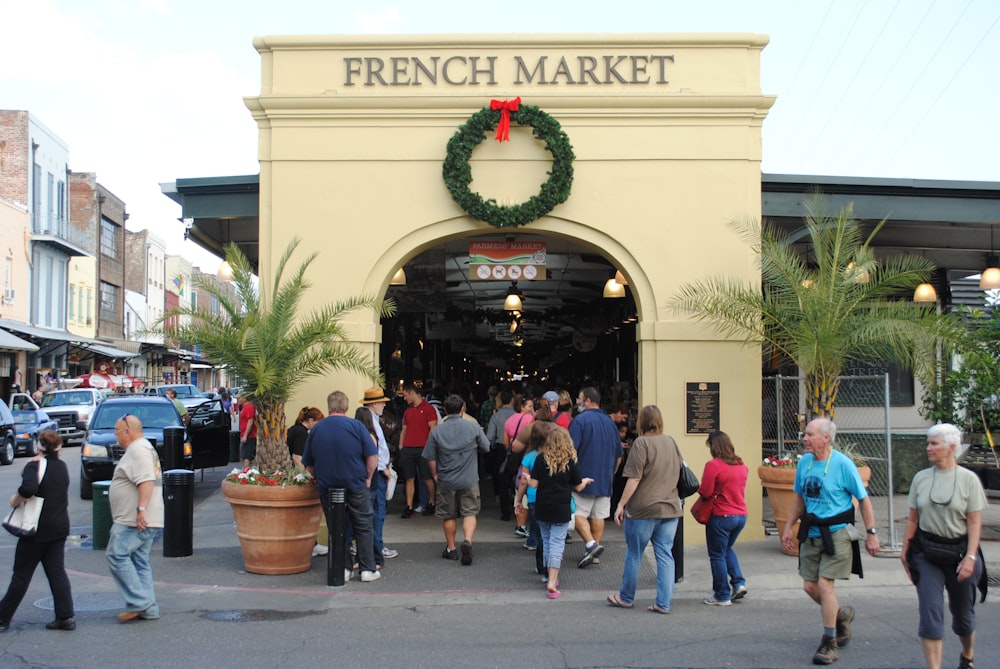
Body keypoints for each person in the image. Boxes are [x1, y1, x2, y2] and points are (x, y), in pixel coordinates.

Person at [781, 418, 880, 666]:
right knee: (810, 587)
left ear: (826, 438)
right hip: (811, 532)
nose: (805, 439)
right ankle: (841, 615)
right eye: (805, 434)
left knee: (825, 585)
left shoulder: (843, 465)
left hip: (836, 533)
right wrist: (787, 527)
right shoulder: (804, 463)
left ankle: (829, 642)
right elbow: (799, 499)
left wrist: (872, 532)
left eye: (810, 435)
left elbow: (863, 499)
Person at [902, 423, 987, 669]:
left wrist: (971, 557)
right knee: (930, 615)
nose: (928, 448)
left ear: (951, 448)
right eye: (928, 443)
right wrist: (905, 551)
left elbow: (974, 522)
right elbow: (913, 518)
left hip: (960, 553)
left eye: (934, 444)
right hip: (927, 554)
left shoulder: (968, 479)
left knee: (963, 618)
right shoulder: (921, 478)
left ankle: (967, 654)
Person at [606, 405, 681, 613]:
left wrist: (620, 504)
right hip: (670, 507)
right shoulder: (671, 442)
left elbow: (634, 478)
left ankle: (626, 597)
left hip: (643, 509)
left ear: (641, 422)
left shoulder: (641, 443)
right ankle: (663, 603)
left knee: (634, 553)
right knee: (665, 554)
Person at [0, 430, 75, 632]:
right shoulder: (62, 467)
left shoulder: (34, 465)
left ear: (39, 446)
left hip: (36, 529)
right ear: (58, 447)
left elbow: (28, 488)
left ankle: (2, 617)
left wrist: (15, 500)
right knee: (56, 572)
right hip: (59, 527)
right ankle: (65, 616)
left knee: (22, 575)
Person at [302, 391, 380, 583]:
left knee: (336, 526)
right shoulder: (357, 427)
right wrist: (368, 478)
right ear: (346, 406)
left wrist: (319, 477)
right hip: (356, 483)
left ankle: (343, 567)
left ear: (329, 407)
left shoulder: (317, 430)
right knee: (363, 525)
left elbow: (309, 464)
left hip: (328, 486)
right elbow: (372, 457)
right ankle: (367, 569)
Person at [421, 394, 490, 565]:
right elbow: (486, 447)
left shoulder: (437, 430)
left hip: (446, 479)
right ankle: (467, 541)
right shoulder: (473, 427)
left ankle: (451, 549)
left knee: (448, 515)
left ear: (444, 410)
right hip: (469, 478)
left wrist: (435, 474)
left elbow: (429, 457)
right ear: (463, 409)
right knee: (470, 512)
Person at [107, 415, 163, 622]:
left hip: (134, 518)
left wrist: (141, 509)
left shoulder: (138, 450)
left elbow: (146, 481)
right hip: (144, 516)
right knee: (139, 561)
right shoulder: (142, 448)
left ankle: (140, 602)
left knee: (117, 554)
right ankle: (149, 608)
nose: (115, 435)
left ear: (127, 431)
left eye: (117, 430)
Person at [528, 426, 593, 599]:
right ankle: (552, 581)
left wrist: (527, 479)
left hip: (543, 506)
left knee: (547, 542)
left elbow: (534, 484)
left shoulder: (540, 459)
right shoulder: (569, 461)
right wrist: (585, 481)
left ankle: (549, 576)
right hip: (561, 507)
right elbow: (577, 485)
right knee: (557, 544)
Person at [568, 386, 623, 568]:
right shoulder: (610, 424)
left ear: (588, 401)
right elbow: (618, 454)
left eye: (579, 398)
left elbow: (570, 451)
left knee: (575, 514)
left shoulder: (579, 421)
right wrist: (611, 472)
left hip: (583, 476)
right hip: (605, 477)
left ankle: (591, 545)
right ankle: (593, 550)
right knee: (599, 515)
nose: (577, 402)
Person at [699, 430, 749, 606]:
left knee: (717, 555)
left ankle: (722, 594)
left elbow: (705, 491)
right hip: (741, 514)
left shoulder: (713, 465)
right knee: (727, 548)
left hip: (721, 515)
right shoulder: (741, 465)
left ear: (714, 447)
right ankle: (738, 583)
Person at [358, 387, 399, 563]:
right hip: (377, 472)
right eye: (382, 402)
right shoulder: (371, 422)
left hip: (376, 470)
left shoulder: (369, 419)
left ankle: (375, 546)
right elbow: (376, 451)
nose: (384, 405)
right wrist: (384, 469)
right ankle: (378, 547)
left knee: (373, 511)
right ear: (374, 404)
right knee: (378, 511)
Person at [516, 420, 555, 576]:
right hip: (552, 497)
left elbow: (524, 481)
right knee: (553, 535)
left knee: (540, 535)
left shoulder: (529, 457)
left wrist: (519, 500)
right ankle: (552, 566)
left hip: (534, 498)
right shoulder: (554, 455)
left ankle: (541, 567)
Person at [398, 383, 438, 518]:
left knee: (426, 477)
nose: (404, 398)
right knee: (409, 478)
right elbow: (404, 429)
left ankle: (431, 502)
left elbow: (433, 429)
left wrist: (429, 447)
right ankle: (409, 506)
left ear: (412, 393)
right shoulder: (408, 411)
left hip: (423, 448)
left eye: (405, 395)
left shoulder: (428, 409)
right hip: (408, 448)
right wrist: (401, 446)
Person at [505, 394, 535, 537]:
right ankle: (524, 524)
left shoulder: (509, 420)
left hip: (515, 456)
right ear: (522, 407)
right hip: (526, 455)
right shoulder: (530, 419)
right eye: (529, 406)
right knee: (526, 485)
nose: (532, 409)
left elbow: (506, 443)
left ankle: (520, 524)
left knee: (518, 486)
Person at [485, 387, 516, 519]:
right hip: (516, 449)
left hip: (501, 449)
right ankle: (517, 508)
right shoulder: (518, 415)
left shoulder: (496, 416)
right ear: (513, 401)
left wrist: (491, 448)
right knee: (516, 479)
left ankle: (505, 512)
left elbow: (489, 437)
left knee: (502, 480)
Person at [287, 406, 323, 471]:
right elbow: (297, 458)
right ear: (311, 421)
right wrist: (303, 475)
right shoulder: (301, 433)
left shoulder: (296, 428)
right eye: (318, 423)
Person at [238, 394, 257, 469]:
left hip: (249, 436)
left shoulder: (248, 407)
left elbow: (250, 421)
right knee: (244, 456)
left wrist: (245, 435)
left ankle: (246, 472)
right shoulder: (244, 407)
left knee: (246, 456)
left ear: (245, 398)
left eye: (240, 397)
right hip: (245, 435)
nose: (238, 399)